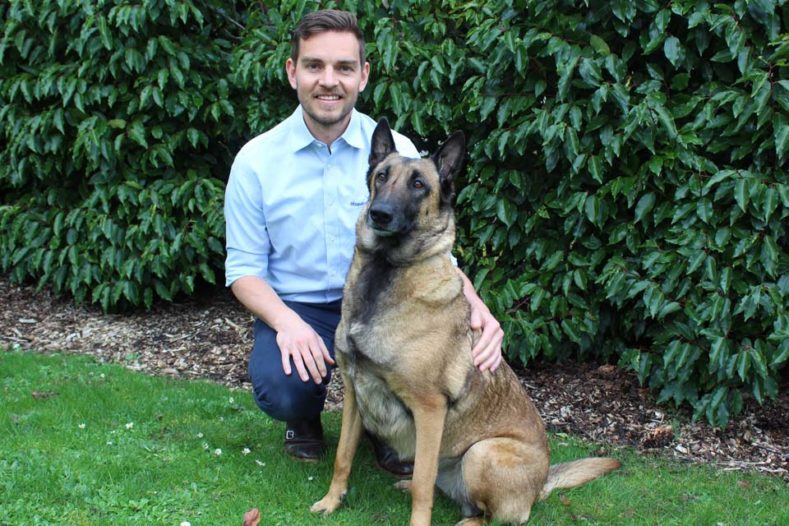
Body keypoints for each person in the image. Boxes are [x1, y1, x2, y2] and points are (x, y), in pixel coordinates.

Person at [224, 9, 504, 475]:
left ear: (363, 75)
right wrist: (288, 325)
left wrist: (478, 308)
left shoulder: (398, 150)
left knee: (420, 357)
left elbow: (434, 245)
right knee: (283, 385)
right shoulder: (256, 161)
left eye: (344, 68)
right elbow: (244, 270)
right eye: (314, 65)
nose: (328, 81)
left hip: (391, 300)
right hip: (303, 307)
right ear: (293, 72)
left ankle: (385, 428)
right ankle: (304, 418)